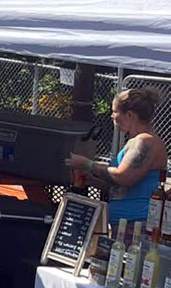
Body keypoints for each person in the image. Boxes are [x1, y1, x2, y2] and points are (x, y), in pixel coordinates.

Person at [67, 87, 169, 229]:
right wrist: (92, 180)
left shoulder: (146, 141)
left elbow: (124, 177)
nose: (112, 116)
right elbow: (120, 188)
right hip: (122, 222)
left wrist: (88, 164)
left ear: (129, 115)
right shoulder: (134, 141)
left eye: (115, 112)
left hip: (137, 222)